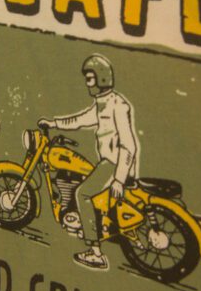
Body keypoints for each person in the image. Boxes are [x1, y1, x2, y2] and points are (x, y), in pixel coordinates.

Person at [38, 55, 139, 270]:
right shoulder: (102, 104)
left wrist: (119, 179)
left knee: (83, 194)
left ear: (101, 78)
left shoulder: (118, 105)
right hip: (109, 162)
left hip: (115, 164)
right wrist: (54, 123)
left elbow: (129, 145)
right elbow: (80, 120)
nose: (87, 83)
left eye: (90, 78)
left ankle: (96, 253)